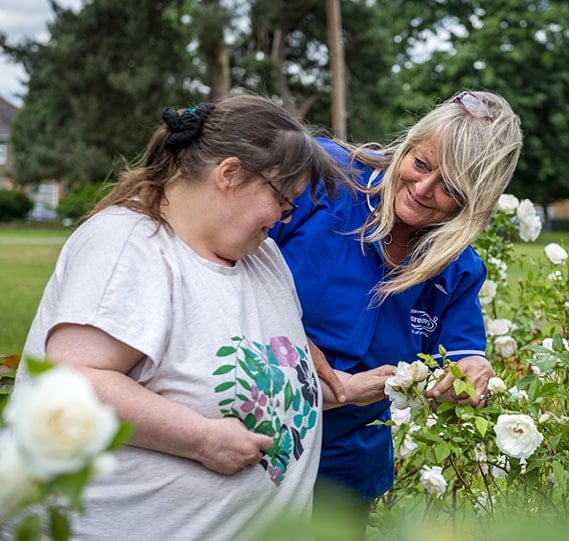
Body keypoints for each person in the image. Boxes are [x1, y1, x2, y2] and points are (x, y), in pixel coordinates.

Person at [15, 94, 387, 540]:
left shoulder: (261, 255)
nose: (285, 217)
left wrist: (342, 389)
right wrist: (200, 439)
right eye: (283, 200)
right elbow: (71, 384)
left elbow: (236, 382)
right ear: (229, 174)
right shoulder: (129, 245)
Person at [269, 90, 523, 538]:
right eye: (421, 165)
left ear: (474, 201)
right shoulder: (325, 178)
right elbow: (224, 259)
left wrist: (472, 371)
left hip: (345, 462)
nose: (423, 190)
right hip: (253, 426)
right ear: (407, 147)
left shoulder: (457, 269)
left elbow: (464, 354)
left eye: (450, 188)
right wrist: (285, 337)